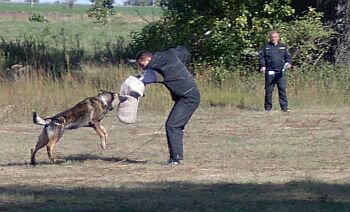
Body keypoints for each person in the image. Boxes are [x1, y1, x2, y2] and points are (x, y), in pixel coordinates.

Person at [135, 46, 201, 165]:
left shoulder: (160, 64)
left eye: (142, 65)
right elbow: (184, 51)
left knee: (173, 126)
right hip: (186, 96)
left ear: (148, 59)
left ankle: (175, 159)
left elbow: (147, 76)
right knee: (173, 125)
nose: (142, 68)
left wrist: (136, 81)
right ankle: (176, 158)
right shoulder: (169, 55)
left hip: (188, 98)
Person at [259, 31, 292, 112]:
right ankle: (268, 108)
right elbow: (262, 57)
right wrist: (263, 66)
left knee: (282, 89)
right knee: (269, 90)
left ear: (278, 38)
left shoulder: (283, 47)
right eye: (272, 37)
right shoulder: (266, 47)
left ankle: (284, 108)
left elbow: (288, 57)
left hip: (280, 72)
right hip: (270, 72)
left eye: (275, 37)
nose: (273, 39)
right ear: (270, 38)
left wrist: (289, 64)